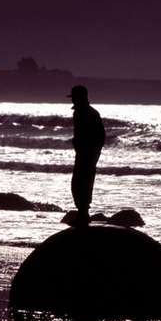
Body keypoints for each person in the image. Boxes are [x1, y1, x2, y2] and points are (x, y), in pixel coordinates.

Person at [68, 85, 105, 226]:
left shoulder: (88, 113)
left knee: (81, 182)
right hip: (84, 152)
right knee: (80, 183)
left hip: (87, 153)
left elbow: (100, 136)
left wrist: (92, 152)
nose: (72, 100)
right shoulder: (82, 112)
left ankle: (83, 214)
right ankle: (82, 213)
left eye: (74, 97)